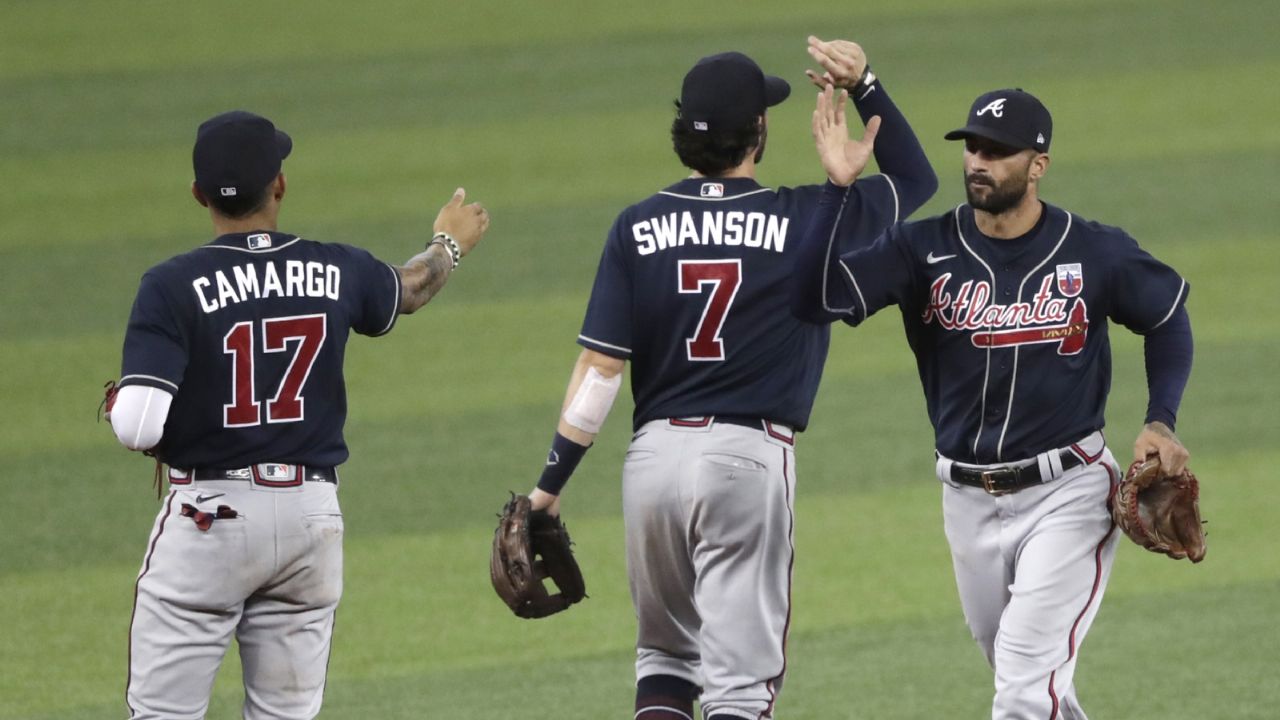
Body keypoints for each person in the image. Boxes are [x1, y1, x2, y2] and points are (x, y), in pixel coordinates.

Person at [523, 40, 936, 720]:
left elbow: (600, 374)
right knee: (741, 690)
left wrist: (549, 486)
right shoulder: (806, 215)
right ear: (761, 132)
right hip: (746, 460)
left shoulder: (637, 227)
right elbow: (916, 179)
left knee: (665, 661)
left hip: (652, 464)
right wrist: (865, 85)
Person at [793, 87, 1194, 718]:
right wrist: (837, 190)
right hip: (966, 501)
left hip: (1069, 492)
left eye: (999, 151)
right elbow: (814, 300)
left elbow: (1167, 316)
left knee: (1024, 689)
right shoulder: (920, 248)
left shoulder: (1093, 250)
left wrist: (1160, 420)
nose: (979, 160)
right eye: (973, 146)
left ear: (1038, 165)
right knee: (1032, 684)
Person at [107, 110, 489, 720]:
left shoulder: (171, 286)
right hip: (312, 522)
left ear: (199, 195)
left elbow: (138, 425)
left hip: (210, 523)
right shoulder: (333, 267)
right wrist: (448, 242)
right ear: (279, 184)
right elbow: (411, 287)